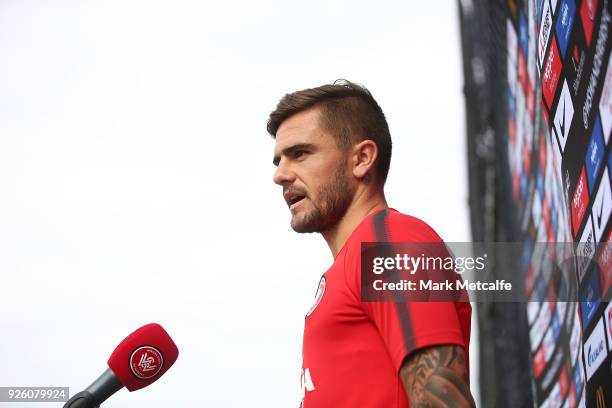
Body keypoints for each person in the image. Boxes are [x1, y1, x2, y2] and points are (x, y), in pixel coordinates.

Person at [268, 80, 475, 407]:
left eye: (300, 154)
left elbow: (444, 399)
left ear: (362, 158)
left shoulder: (389, 243)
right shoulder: (353, 262)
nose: (280, 174)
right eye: (278, 160)